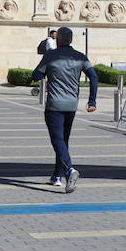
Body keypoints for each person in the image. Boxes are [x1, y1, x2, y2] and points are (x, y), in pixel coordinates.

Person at [30, 26, 97, 193]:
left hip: (54, 105)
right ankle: (57, 176)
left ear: (57, 40)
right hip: (72, 105)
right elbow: (94, 76)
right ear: (71, 40)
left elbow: (36, 75)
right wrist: (92, 100)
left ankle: (70, 170)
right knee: (63, 141)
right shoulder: (80, 57)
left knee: (57, 140)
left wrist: (44, 73)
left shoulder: (50, 56)